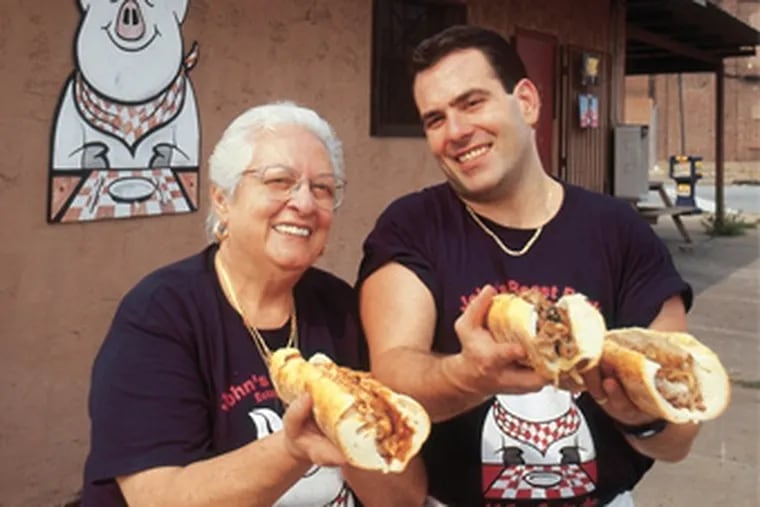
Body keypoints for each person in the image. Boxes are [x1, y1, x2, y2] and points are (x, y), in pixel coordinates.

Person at [357, 25, 698, 507]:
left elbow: (680, 437)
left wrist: (640, 413)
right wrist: (469, 374)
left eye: (472, 103)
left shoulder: (620, 231)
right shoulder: (411, 228)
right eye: (435, 119)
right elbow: (392, 375)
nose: (455, 132)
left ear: (528, 102)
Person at [82, 101, 426, 506]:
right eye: (279, 181)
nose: (304, 203)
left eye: (323, 188)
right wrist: (292, 449)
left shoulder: (338, 308)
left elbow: (404, 497)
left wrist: (355, 436)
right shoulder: (160, 314)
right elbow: (159, 497)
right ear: (223, 200)